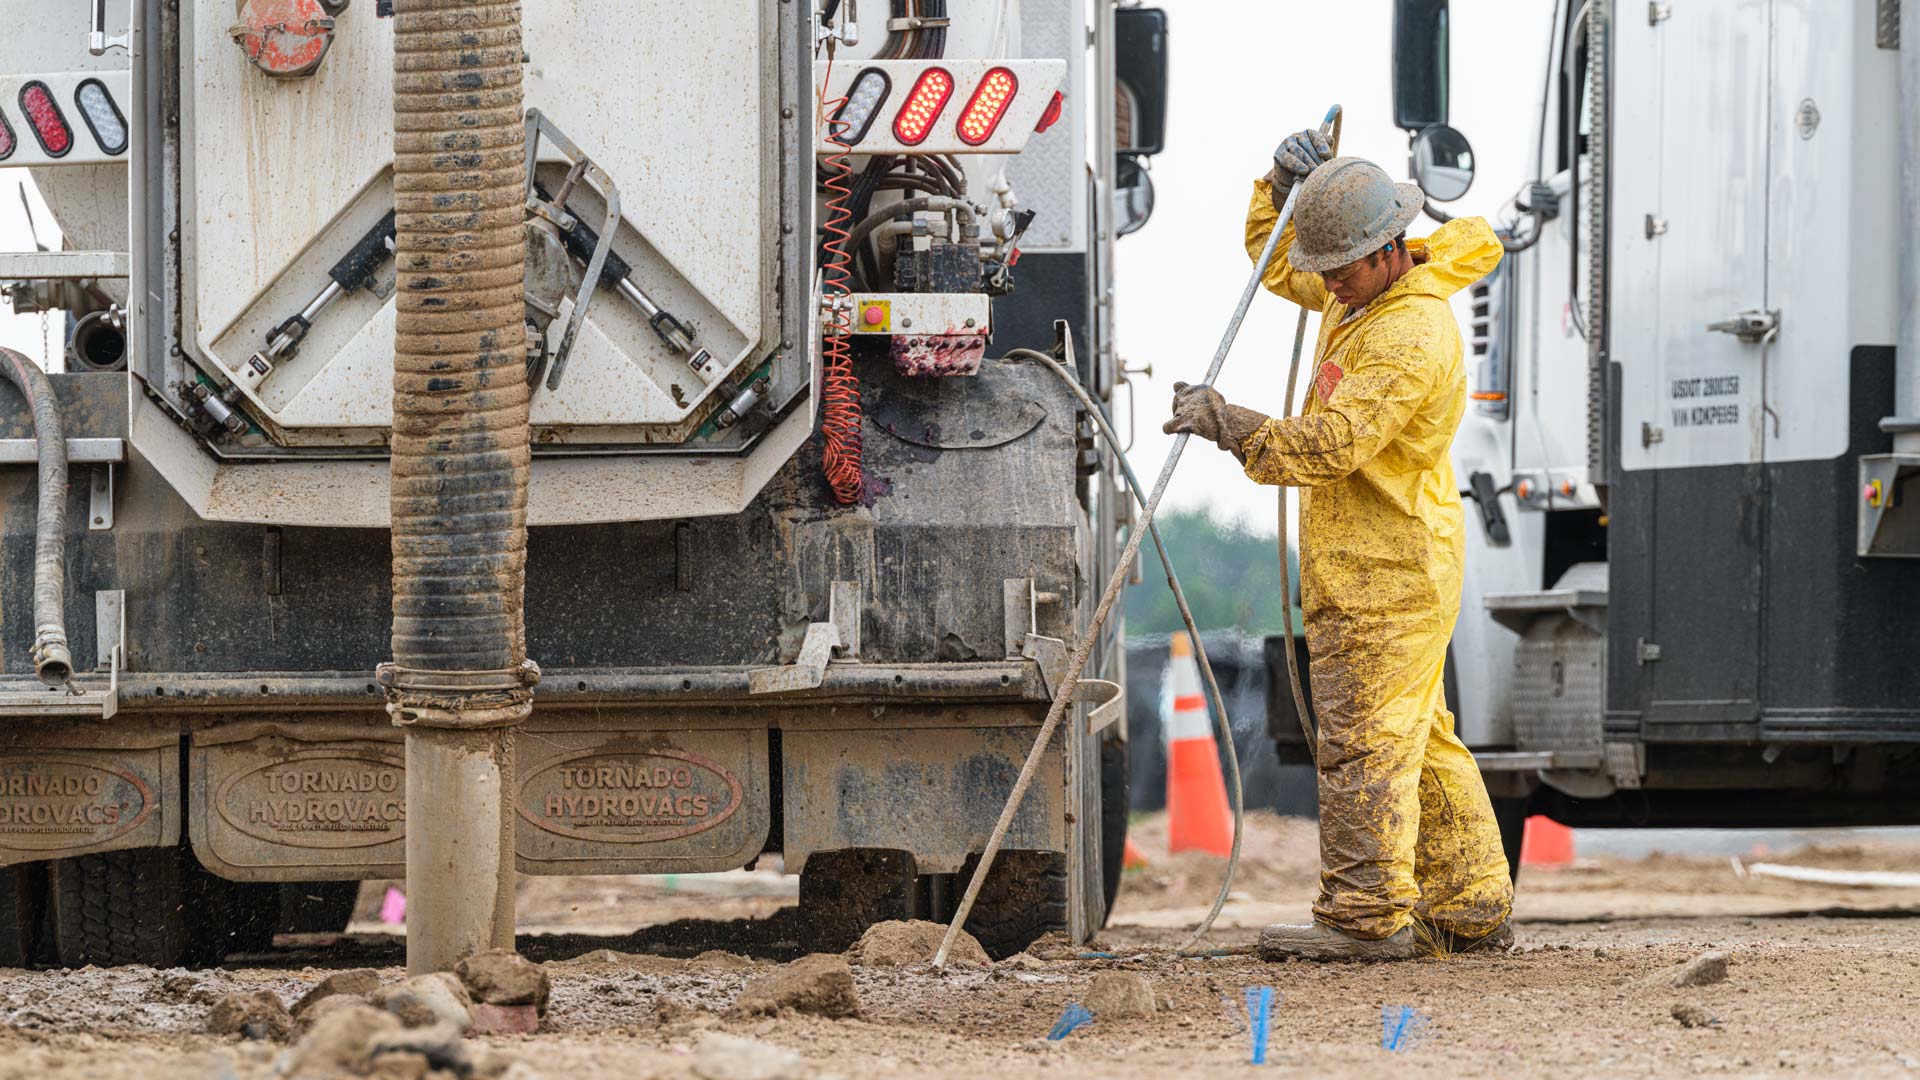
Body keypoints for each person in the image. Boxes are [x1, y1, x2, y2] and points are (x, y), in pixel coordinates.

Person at [1163, 129, 1512, 960]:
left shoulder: (1407, 336)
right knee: (1417, 737)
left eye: (1340, 270)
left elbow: (1330, 445)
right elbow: (1273, 257)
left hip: (1385, 570)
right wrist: (1279, 182)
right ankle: (1471, 901)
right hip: (1389, 558)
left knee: (1362, 741)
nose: (1324, 284)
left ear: (1388, 249)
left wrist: (1229, 423)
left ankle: (1364, 917)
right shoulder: (1358, 292)